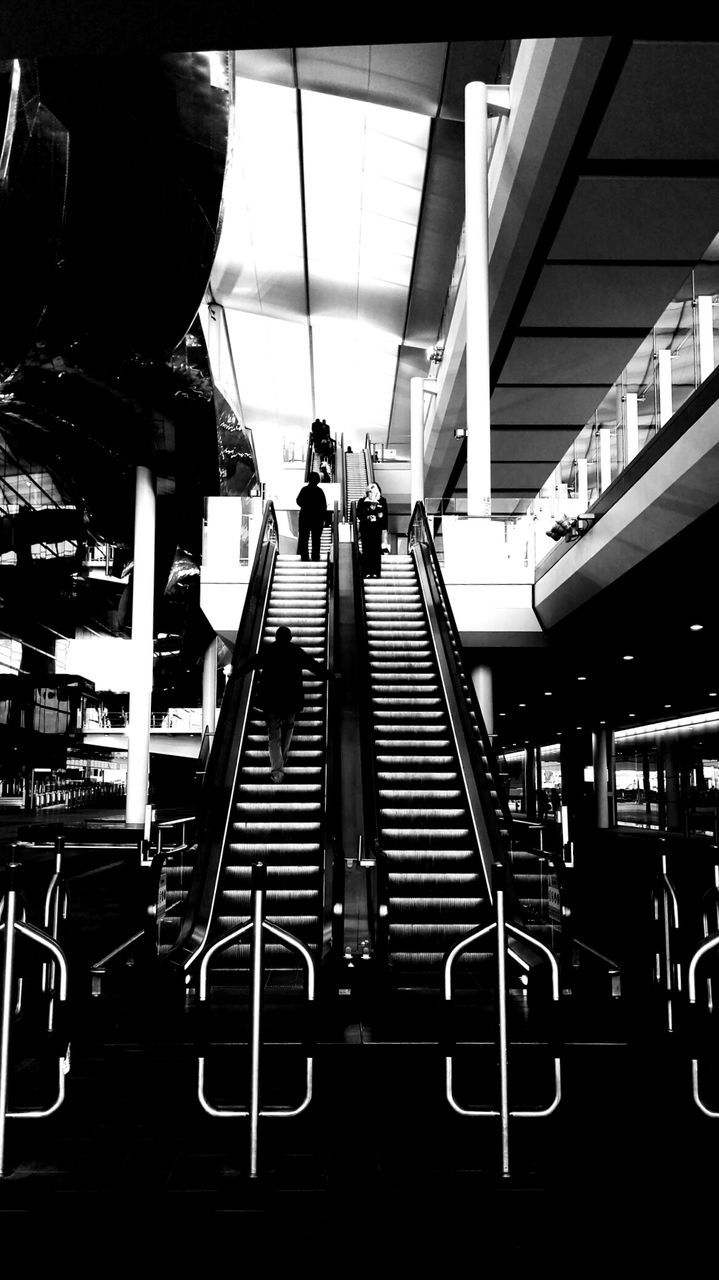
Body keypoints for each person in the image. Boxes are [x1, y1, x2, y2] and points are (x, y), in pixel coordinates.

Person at [238, 626, 334, 781]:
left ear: (276, 637)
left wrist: (235, 674)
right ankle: (283, 757)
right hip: (291, 700)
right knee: (288, 728)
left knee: (273, 735)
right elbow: (313, 665)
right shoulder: (295, 651)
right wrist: (331, 676)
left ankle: (277, 771)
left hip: (271, 700)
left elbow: (250, 664)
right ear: (290, 637)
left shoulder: (268, 650)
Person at [356, 481, 389, 578]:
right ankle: (366, 571)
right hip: (365, 529)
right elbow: (359, 514)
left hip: (377, 529)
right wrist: (367, 516)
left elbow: (385, 515)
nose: (371, 493)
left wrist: (384, 529)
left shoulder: (382, 501)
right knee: (366, 550)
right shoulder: (362, 501)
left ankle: (376, 572)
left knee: (376, 550)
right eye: (369, 491)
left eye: (373, 490)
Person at [296, 471, 327, 561]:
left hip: (305, 517)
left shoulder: (304, 489)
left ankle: (304, 556)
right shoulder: (319, 491)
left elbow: (298, 501)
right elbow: (323, 506)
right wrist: (324, 519)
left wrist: (305, 506)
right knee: (316, 539)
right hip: (317, 519)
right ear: (318, 480)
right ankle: (315, 556)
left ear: (308, 479)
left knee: (304, 538)